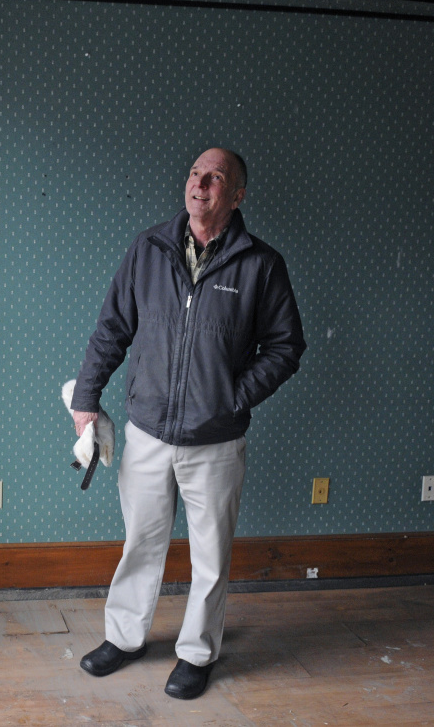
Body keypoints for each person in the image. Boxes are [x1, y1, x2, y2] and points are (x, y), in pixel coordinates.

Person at [70, 147, 306, 699]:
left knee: (210, 553)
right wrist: (87, 397)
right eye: (195, 174)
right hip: (147, 431)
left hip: (216, 441)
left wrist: (233, 397)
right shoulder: (149, 249)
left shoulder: (261, 264)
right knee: (141, 543)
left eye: (215, 177)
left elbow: (286, 346)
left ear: (237, 195)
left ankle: (197, 653)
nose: (200, 184)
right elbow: (111, 329)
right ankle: (124, 639)